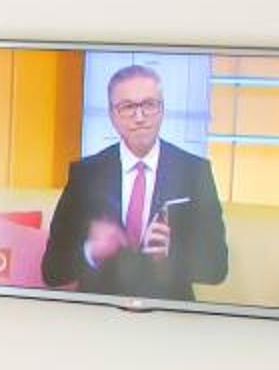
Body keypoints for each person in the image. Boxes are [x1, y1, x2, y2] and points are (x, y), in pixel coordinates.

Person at [41, 63, 230, 301]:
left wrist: (172, 255)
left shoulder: (194, 171)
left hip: (166, 311)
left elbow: (218, 268)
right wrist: (92, 252)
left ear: (162, 109)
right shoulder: (86, 174)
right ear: (112, 115)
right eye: (128, 107)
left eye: (149, 104)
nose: (139, 117)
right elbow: (51, 271)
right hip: (101, 310)